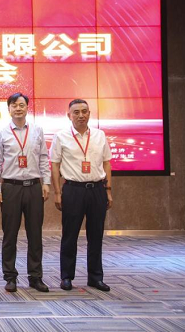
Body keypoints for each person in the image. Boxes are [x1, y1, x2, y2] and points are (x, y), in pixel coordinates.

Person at [50, 99, 113, 292]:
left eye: (84, 111)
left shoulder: (100, 135)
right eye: (76, 112)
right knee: (70, 236)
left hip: (97, 189)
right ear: (69, 115)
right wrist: (57, 192)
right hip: (73, 190)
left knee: (96, 235)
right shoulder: (61, 136)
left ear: (89, 114)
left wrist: (108, 190)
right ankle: (66, 277)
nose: (81, 115)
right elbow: (55, 165)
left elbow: (107, 163)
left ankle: (95, 277)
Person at [0, 93, 51, 293]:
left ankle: (36, 277)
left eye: (22, 105)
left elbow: (43, 158)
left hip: (34, 186)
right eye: (14, 105)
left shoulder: (37, 131)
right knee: (10, 235)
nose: (18, 108)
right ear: (9, 109)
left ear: (27, 108)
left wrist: (46, 182)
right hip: (11, 187)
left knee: (35, 234)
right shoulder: (2, 133)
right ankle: (10, 277)